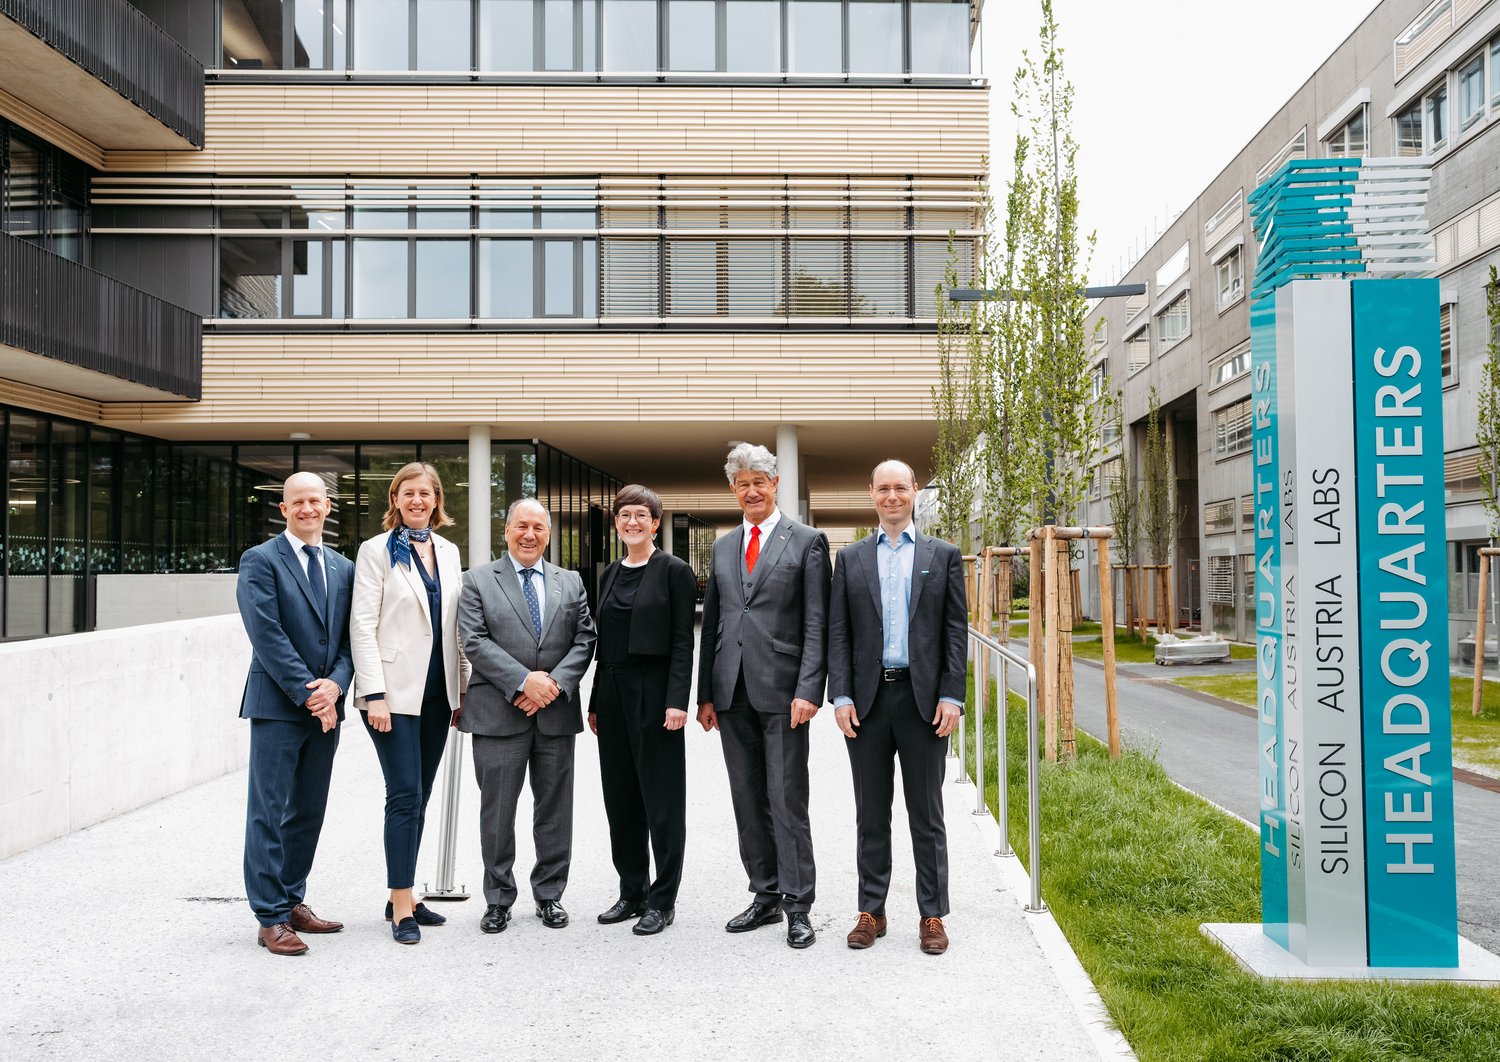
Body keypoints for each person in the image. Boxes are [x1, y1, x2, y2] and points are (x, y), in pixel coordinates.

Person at [828, 460, 966, 955]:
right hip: (865, 701)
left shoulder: (943, 555)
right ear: (871, 494)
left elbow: (955, 632)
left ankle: (932, 915)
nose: (892, 496)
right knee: (871, 811)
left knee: (926, 813)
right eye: (882, 488)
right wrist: (840, 695)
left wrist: (953, 695)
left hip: (923, 700)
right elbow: (838, 631)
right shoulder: (851, 558)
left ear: (914, 492)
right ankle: (873, 910)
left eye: (900, 488)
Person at [697, 442, 830, 949]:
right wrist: (705, 693)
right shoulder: (723, 546)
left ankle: (799, 904)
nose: (751, 490)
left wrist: (809, 689)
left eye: (760, 481)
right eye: (742, 483)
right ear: (733, 490)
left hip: (784, 692)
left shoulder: (807, 542)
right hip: (732, 692)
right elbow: (713, 622)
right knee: (748, 799)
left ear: (776, 484)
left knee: (786, 799)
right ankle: (765, 895)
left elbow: (817, 623)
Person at [457, 498, 597, 935]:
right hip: (498, 712)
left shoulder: (570, 582)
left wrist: (551, 686)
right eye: (521, 525)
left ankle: (550, 895)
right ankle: (498, 899)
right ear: (507, 531)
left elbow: (585, 638)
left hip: (555, 712)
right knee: (497, 811)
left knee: (555, 809)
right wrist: (523, 682)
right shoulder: (478, 580)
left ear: (549, 533)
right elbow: (474, 641)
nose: (529, 534)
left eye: (538, 526)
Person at [350, 461, 470, 945]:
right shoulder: (376, 551)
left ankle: (403, 893)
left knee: (419, 795)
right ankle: (402, 901)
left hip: (439, 694)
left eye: (425, 493)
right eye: (408, 493)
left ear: (437, 500)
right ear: (395, 500)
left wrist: (461, 690)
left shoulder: (449, 550)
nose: (417, 501)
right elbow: (362, 623)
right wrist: (372, 692)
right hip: (393, 694)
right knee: (403, 795)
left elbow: (457, 625)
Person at [236, 471, 354, 956]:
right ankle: (269, 917)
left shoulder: (344, 567)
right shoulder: (260, 560)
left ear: (328, 507)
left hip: (326, 706)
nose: (307, 509)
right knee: (269, 811)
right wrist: (312, 694)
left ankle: (291, 899)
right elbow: (266, 634)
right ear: (283, 509)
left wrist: (338, 685)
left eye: (315, 501)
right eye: (297, 502)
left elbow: (351, 638)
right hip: (280, 706)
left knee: (308, 810)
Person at [588, 485, 696, 936]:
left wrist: (677, 701)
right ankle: (631, 891)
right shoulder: (610, 572)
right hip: (612, 691)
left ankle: (662, 898)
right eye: (624, 515)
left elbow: (682, 642)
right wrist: (595, 701)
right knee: (621, 797)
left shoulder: (674, 570)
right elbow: (602, 644)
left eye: (641, 516)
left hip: (655, 693)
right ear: (617, 523)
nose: (632, 522)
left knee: (661, 799)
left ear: (655, 523)